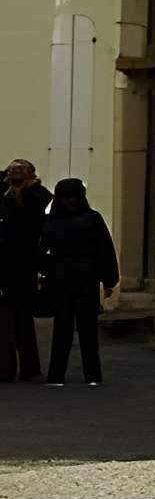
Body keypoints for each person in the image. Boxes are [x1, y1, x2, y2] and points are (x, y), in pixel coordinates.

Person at [40, 180, 118, 386]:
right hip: (87, 278)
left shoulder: (52, 220)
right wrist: (109, 280)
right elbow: (105, 250)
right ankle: (92, 375)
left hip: (61, 279)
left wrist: (47, 270)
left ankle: (56, 375)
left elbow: (41, 251)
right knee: (88, 329)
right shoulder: (92, 219)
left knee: (62, 329)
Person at [0, 160, 52, 383]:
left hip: (23, 266)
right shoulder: (7, 197)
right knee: (11, 320)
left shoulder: (35, 197)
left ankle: (22, 368)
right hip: (11, 267)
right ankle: (11, 368)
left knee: (19, 319)